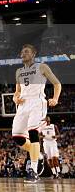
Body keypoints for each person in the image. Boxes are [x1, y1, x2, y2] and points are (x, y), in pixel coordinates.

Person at [11, 44, 61, 183]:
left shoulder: (42, 67)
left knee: (33, 133)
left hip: (37, 103)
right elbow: (17, 92)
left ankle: (33, 170)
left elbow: (57, 84)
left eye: (26, 51)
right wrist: (15, 98)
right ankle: (37, 155)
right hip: (23, 105)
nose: (23, 53)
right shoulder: (18, 71)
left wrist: (55, 98)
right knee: (17, 137)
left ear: (33, 54)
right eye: (21, 51)